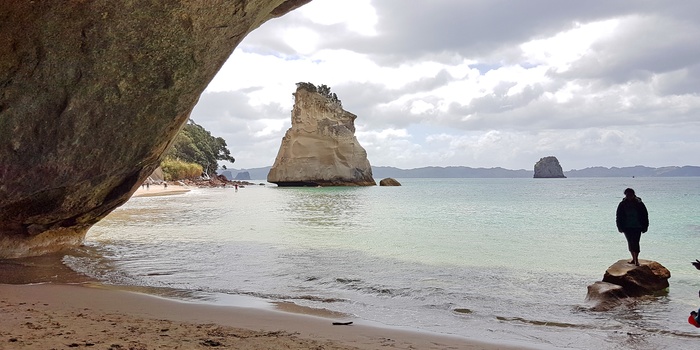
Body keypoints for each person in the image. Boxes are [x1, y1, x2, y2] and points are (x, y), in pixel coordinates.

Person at [616, 188, 649, 266]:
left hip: (637, 226)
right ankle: (633, 259)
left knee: (636, 242)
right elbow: (618, 216)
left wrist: (645, 226)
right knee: (630, 242)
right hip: (627, 226)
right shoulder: (622, 204)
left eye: (630, 195)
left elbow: (645, 215)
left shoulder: (639, 203)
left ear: (634, 194)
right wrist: (619, 227)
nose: (629, 196)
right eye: (627, 195)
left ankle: (636, 260)